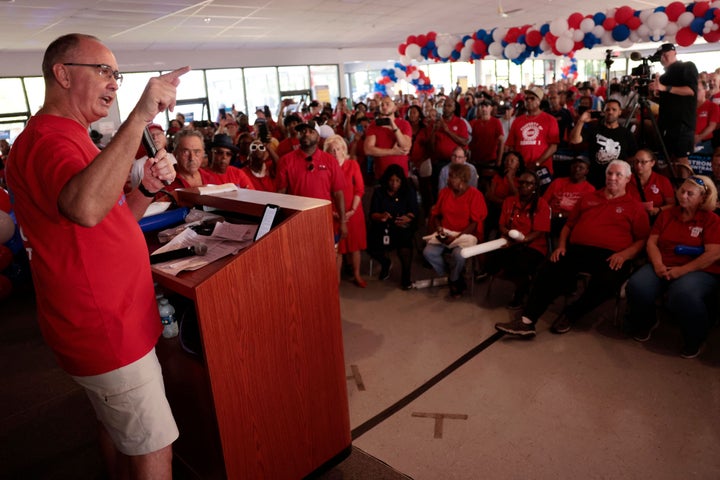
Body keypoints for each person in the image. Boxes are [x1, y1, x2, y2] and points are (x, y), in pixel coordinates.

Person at [5, 33, 188, 478]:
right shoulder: (50, 140)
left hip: (113, 321)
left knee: (120, 430)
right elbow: (85, 208)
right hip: (107, 329)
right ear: (62, 74)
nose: (114, 83)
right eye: (103, 70)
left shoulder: (72, 137)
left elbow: (109, 215)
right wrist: (142, 113)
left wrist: (144, 189)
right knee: (153, 449)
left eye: (117, 74)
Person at [495, 160, 650, 337]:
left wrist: (624, 255)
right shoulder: (589, 198)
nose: (612, 178)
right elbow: (568, 226)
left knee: (608, 282)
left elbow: (642, 239)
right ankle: (527, 322)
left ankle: (571, 313)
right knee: (548, 269)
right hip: (578, 249)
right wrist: (561, 246)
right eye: (609, 173)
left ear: (628, 179)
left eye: (618, 175)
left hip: (612, 255)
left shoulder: (635, 207)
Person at [625, 175, 720, 358]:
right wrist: (658, 264)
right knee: (637, 286)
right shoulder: (667, 214)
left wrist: (681, 271)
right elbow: (652, 243)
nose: (683, 196)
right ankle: (647, 321)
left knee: (682, 294)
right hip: (664, 262)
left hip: (699, 270)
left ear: (702, 198)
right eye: (681, 191)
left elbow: (713, 254)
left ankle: (695, 338)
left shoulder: (712, 220)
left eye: (690, 193)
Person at [484, 171, 551, 308]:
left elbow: (539, 232)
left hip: (533, 245)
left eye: (528, 183)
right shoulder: (509, 201)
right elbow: (502, 225)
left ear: (535, 186)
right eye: (521, 182)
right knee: (490, 261)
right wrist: (506, 234)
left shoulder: (542, 204)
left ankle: (522, 291)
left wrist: (523, 239)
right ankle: (515, 279)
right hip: (510, 241)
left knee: (521, 264)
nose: (524, 185)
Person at [423, 163, 487, 298]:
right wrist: (439, 228)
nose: (448, 179)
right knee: (428, 252)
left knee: (459, 255)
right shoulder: (444, 192)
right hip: (446, 231)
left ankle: (453, 279)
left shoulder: (475, 195)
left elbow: (475, 223)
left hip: (466, 234)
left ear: (461, 179)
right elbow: (437, 215)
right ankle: (454, 276)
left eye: (451, 177)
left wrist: (457, 237)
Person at [277, 121, 347, 238]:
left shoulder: (330, 161)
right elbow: (281, 194)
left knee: (324, 254)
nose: (306, 134)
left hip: (322, 220)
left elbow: (338, 193)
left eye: (311, 131)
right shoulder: (286, 161)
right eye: (303, 131)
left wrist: (343, 221)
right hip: (296, 221)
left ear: (318, 137)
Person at [323, 135, 367, 287]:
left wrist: (352, 210)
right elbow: (324, 193)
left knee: (355, 247)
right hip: (334, 213)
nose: (335, 152)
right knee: (338, 249)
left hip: (353, 212)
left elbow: (359, 190)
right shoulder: (325, 168)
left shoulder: (353, 164)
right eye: (331, 150)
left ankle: (357, 275)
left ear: (344, 149)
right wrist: (334, 213)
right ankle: (336, 280)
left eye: (338, 149)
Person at [367, 164, 419, 290]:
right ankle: (385, 263)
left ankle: (406, 277)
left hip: (401, 225)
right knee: (368, 244)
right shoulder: (379, 192)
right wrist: (381, 216)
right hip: (383, 225)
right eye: (391, 180)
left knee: (405, 245)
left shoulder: (408, 191)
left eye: (397, 181)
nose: (394, 184)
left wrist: (408, 217)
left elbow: (414, 211)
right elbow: (373, 214)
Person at [651, 43, 699, 175]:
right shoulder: (664, 76)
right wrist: (654, 93)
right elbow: (667, 99)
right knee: (670, 158)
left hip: (682, 123)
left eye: (666, 54)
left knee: (681, 158)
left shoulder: (687, 66)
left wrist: (665, 88)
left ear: (675, 53)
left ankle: (688, 188)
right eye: (661, 56)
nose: (663, 58)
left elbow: (690, 91)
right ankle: (675, 187)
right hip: (666, 123)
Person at [569, 98, 637, 188]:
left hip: (617, 180)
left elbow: (633, 156)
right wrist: (581, 121)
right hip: (595, 179)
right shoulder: (594, 129)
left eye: (614, 109)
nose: (610, 112)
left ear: (620, 112)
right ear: (603, 112)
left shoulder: (626, 134)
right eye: (607, 109)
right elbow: (574, 140)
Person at [505, 86, 560, 183]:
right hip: (521, 168)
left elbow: (553, 146)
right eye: (526, 98)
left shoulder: (550, 120)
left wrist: (538, 163)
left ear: (539, 101)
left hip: (543, 168)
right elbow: (511, 146)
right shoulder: (517, 121)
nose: (529, 101)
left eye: (532, 98)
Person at [541, 156, 596, 244]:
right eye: (574, 166)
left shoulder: (590, 189)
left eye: (581, 167)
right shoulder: (558, 182)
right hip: (551, 218)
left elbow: (586, 213)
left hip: (572, 221)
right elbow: (543, 203)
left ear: (586, 171)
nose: (576, 169)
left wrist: (561, 215)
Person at [363, 96, 412, 179]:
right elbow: (368, 149)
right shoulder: (374, 125)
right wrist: (392, 152)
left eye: (387, 104)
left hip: (401, 175)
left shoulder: (404, 124)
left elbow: (405, 146)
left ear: (394, 108)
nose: (384, 107)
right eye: (382, 105)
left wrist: (393, 125)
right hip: (382, 174)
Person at [625, 148, 675, 221]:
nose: (639, 165)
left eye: (643, 162)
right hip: (631, 218)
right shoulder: (627, 180)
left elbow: (672, 205)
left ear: (652, 163)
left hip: (655, 220)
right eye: (636, 161)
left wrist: (658, 209)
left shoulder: (662, 181)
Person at [128, 123, 176, 189]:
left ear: (165, 137)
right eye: (150, 135)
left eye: (158, 134)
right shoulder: (138, 164)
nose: (155, 137)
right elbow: (135, 189)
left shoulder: (174, 157)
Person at [468, 98, 505, 171]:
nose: (484, 109)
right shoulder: (473, 123)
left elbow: (501, 141)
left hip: (490, 160)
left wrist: (499, 160)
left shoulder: (496, 122)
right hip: (475, 160)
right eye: (482, 106)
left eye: (486, 106)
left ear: (491, 108)